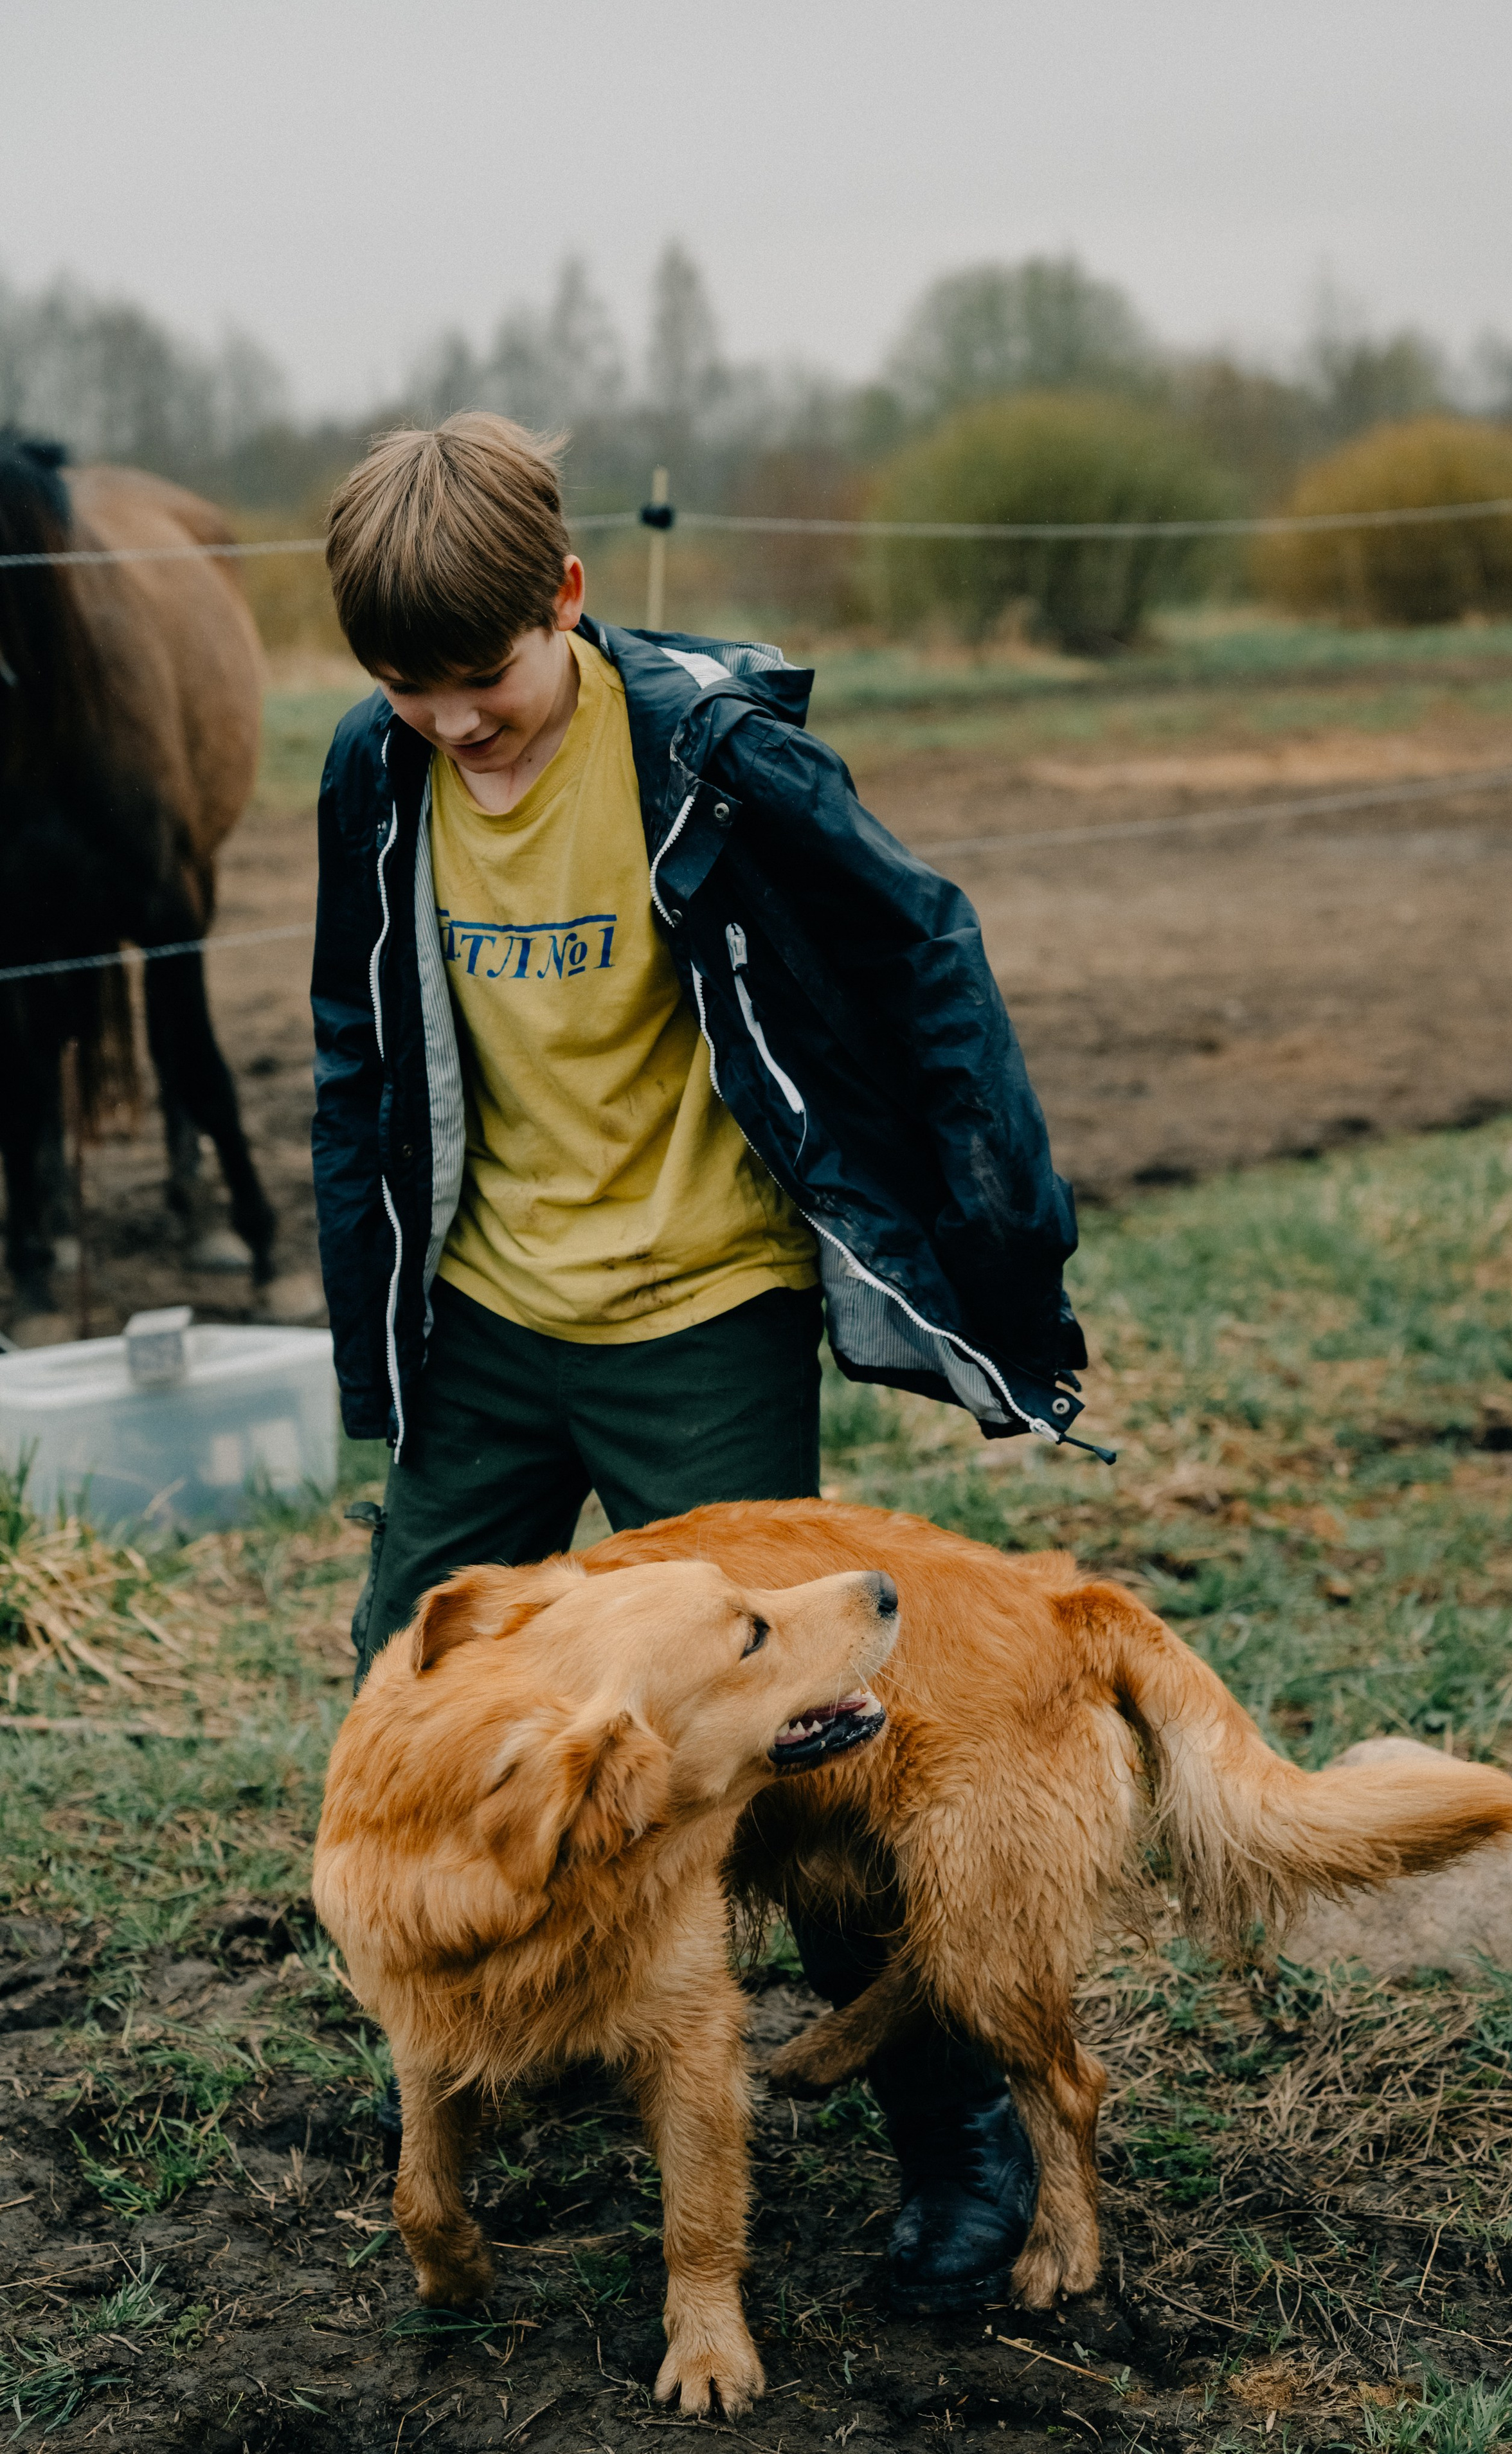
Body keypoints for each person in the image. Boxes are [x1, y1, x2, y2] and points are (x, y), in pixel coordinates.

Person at [310, 411, 1090, 2314]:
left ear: (567, 605)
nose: (453, 726)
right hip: (488, 1318)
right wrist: (375, 1336)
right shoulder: (380, 770)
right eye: (407, 692)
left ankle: (956, 2140)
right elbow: (356, 1039)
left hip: (699, 1315)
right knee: (411, 1704)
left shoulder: (711, 759)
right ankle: (528, 2029)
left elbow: (921, 947)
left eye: (481, 682)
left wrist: (996, 1234)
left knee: (798, 1753)